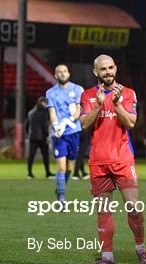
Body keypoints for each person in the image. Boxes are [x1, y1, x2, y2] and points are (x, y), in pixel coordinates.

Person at [80, 54, 146, 264]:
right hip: (98, 161)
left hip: (122, 159)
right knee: (103, 210)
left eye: (111, 68)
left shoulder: (128, 93)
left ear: (116, 68)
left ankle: (141, 249)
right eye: (103, 69)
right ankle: (107, 256)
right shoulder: (88, 95)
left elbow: (130, 122)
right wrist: (99, 106)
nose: (108, 72)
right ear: (96, 72)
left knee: (134, 207)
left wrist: (117, 104)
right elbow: (84, 124)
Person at [46, 64, 83, 201]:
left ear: (69, 73)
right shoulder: (50, 93)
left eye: (65, 71)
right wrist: (56, 126)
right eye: (59, 72)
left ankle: (61, 187)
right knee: (61, 167)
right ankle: (61, 196)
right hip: (59, 134)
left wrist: (66, 122)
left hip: (74, 131)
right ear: (55, 75)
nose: (62, 74)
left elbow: (79, 111)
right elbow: (52, 112)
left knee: (70, 168)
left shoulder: (78, 89)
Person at [26, 96, 54, 179]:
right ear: (41, 102)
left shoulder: (30, 112)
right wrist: (47, 136)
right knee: (45, 156)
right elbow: (44, 126)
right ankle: (48, 173)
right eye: (45, 102)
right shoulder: (44, 113)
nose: (46, 104)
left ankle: (29, 173)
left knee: (31, 156)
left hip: (32, 137)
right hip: (42, 137)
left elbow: (27, 126)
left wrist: (29, 134)